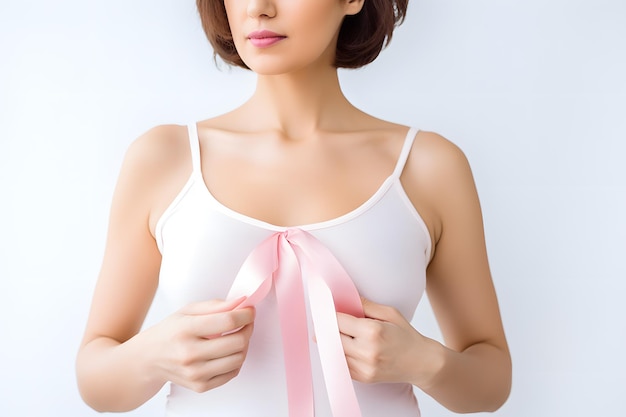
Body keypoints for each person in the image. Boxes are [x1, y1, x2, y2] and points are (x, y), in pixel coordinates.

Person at [76, 0, 512, 415]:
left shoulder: (428, 167)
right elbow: (95, 381)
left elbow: (492, 381)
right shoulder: (164, 158)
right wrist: (153, 357)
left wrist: (425, 363)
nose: (258, 8)